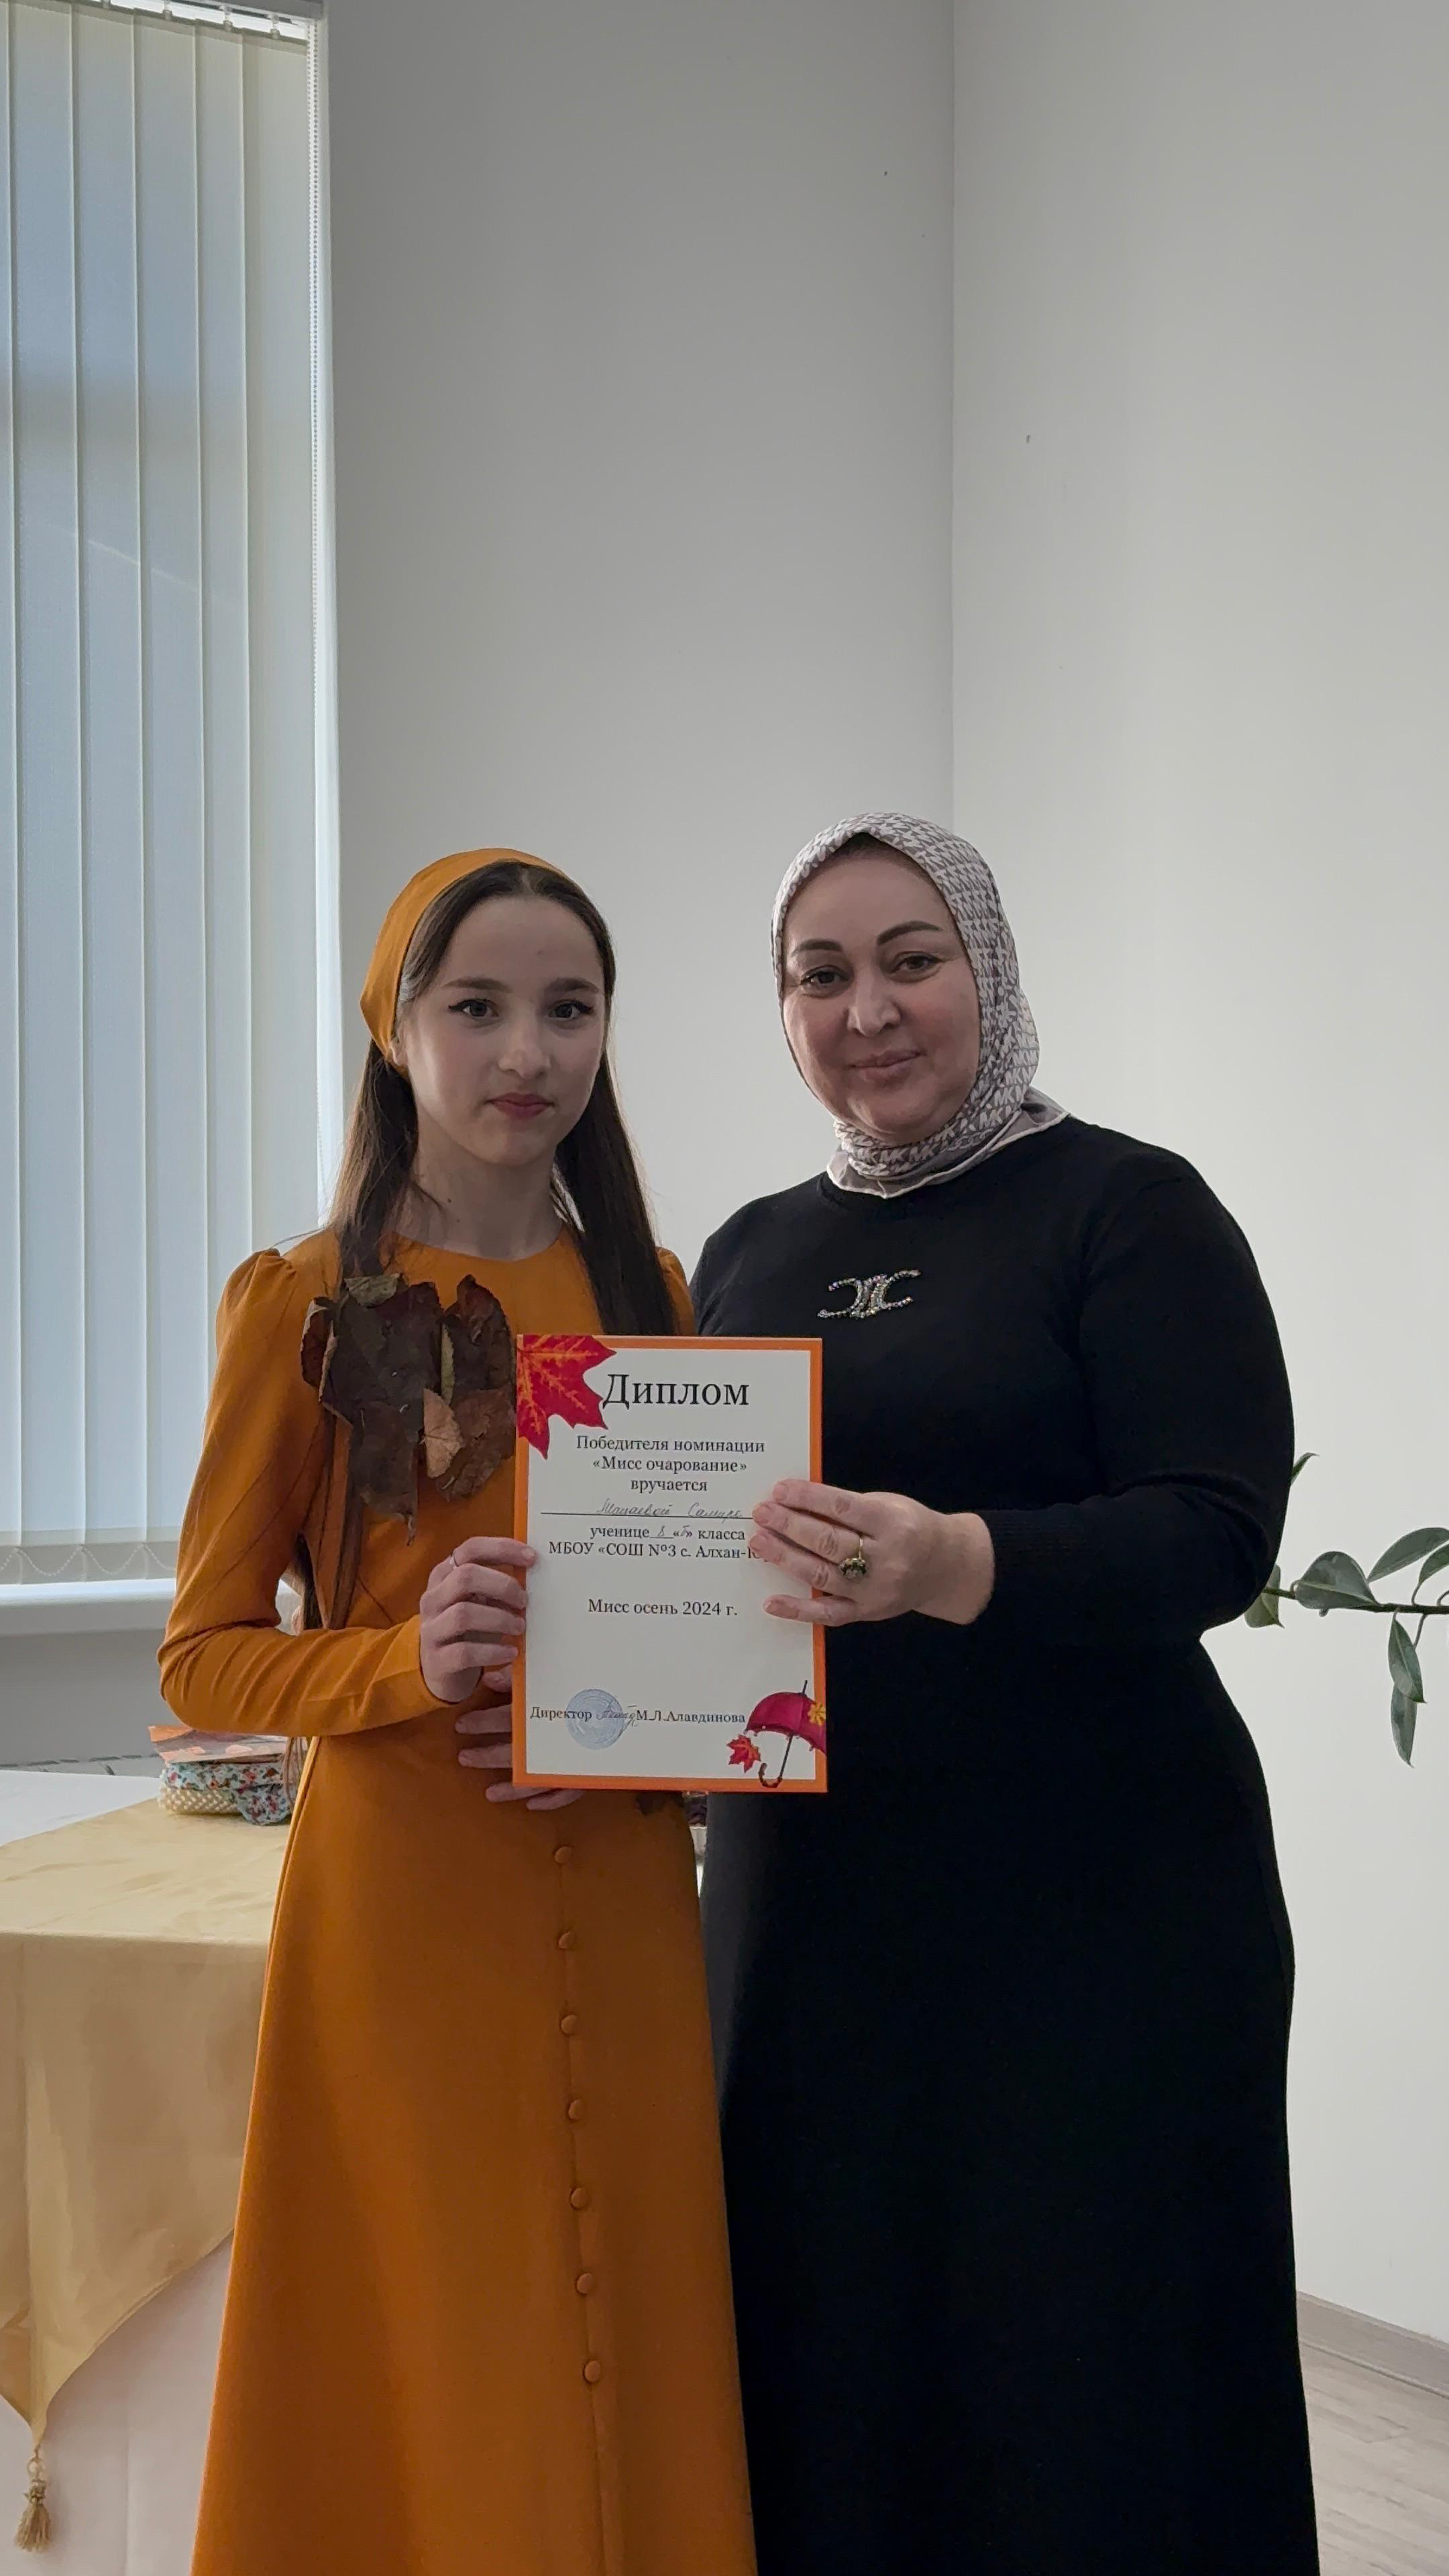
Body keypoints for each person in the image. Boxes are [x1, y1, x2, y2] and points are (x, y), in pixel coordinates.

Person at [693, 812, 1320, 2576]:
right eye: (821, 974)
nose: (869, 1010)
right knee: (829, 2357)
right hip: (814, 1912)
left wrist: (952, 1561)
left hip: (1100, 1907)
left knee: (1090, 2379)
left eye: (914, 960)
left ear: (990, 970)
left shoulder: (1128, 1207)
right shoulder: (741, 1253)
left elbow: (1217, 1530)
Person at [161, 849, 755, 2576]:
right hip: (400, 1914)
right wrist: (398, 1667)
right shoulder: (296, 1304)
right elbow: (201, 1658)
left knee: (633, 2311)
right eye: (478, 1006)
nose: (528, 1052)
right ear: (394, 1028)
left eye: (570, 1009)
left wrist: (639, 1751)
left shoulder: (658, 1296)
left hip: (625, 1896)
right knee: (438, 2340)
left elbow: (708, 1638)